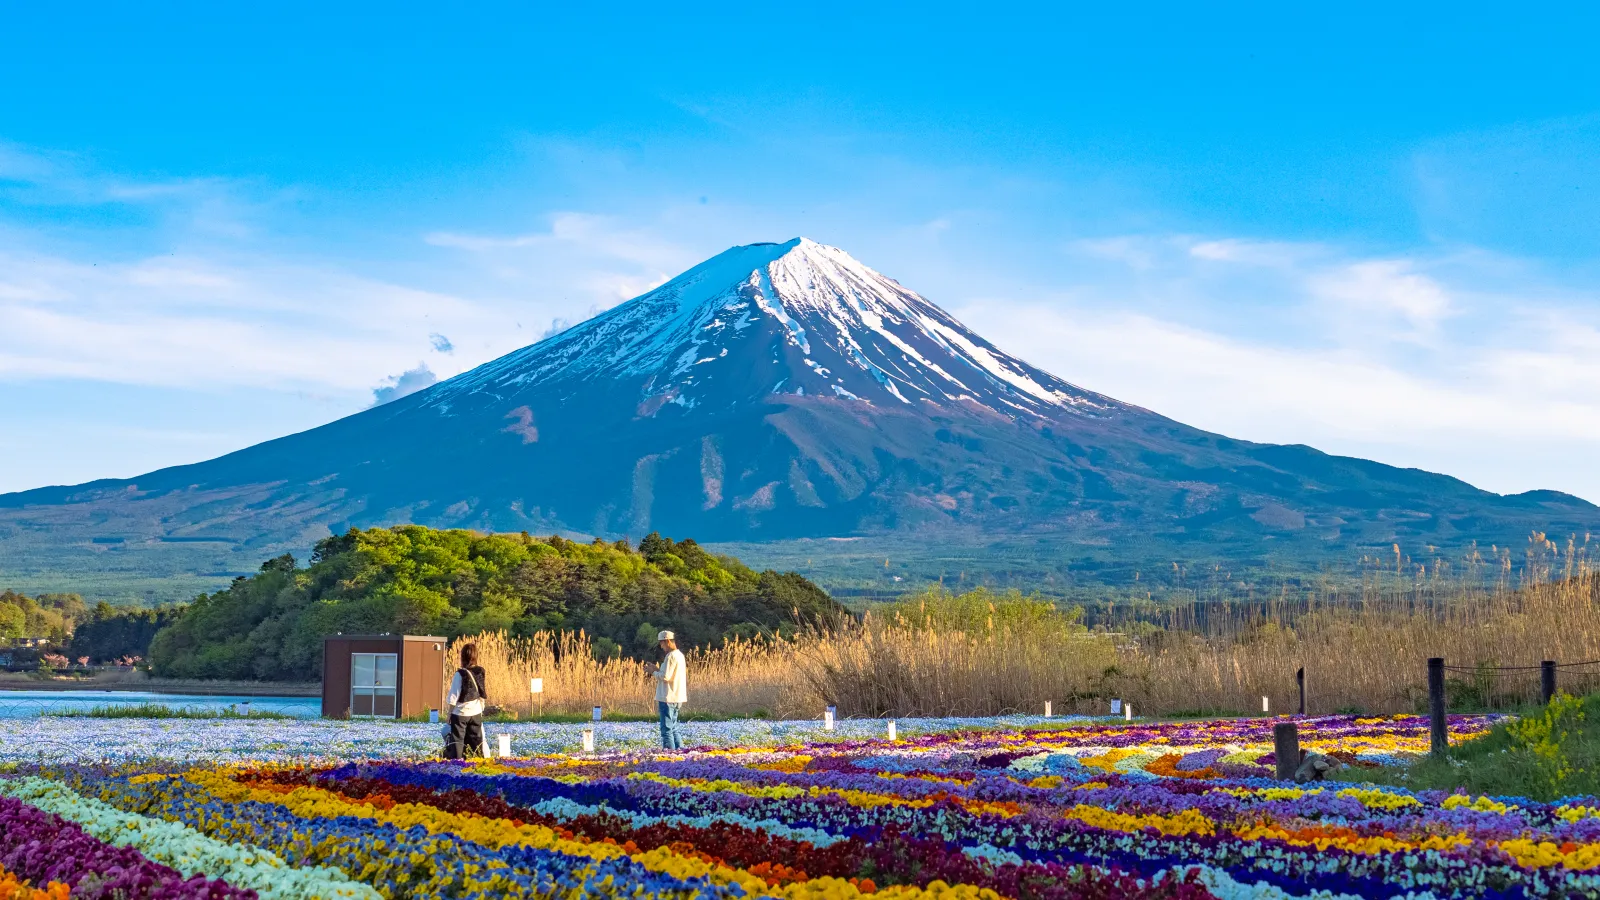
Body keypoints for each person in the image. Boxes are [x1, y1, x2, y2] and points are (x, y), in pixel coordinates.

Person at [444, 643, 488, 759]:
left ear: (463, 657)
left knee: (457, 741)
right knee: (476, 740)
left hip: (460, 713)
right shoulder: (480, 671)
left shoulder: (460, 674)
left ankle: (457, 765)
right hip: (476, 711)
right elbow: (482, 691)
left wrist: (449, 714)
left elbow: (454, 696)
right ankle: (478, 763)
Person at [652, 630, 686, 749]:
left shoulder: (670, 656)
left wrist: (653, 672)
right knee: (673, 727)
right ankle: (681, 751)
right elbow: (670, 674)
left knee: (666, 729)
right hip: (677, 696)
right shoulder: (679, 655)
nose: (661, 647)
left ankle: (669, 755)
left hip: (667, 696)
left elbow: (666, 676)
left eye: (661, 643)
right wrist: (656, 669)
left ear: (667, 641)